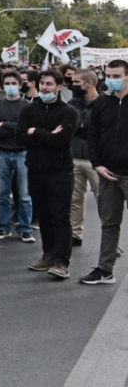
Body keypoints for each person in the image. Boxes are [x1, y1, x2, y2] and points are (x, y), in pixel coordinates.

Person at [17, 70, 78, 280]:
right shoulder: (28, 110)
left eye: (49, 84)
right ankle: (48, 255)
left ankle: (62, 261)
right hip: (35, 170)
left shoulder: (68, 112)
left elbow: (61, 141)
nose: (44, 87)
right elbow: (20, 138)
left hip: (60, 172)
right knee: (44, 214)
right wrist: (47, 134)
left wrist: (36, 132)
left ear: (59, 87)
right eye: (42, 83)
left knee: (60, 216)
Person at [81, 59, 128, 285]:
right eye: (108, 76)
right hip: (107, 172)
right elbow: (93, 137)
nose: (111, 80)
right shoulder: (102, 103)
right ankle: (105, 269)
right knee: (109, 223)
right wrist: (97, 164)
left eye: (117, 76)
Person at [0, 71, 34, 243]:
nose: (11, 86)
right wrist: (16, 129)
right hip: (1, 153)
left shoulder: (28, 106)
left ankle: (25, 228)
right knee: (2, 193)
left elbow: (28, 131)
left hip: (22, 152)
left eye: (14, 83)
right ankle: (3, 227)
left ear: (20, 85)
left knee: (23, 194)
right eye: (7, 83)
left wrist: (5, 124)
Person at [69, 69, 100, 249]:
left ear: (89, 83)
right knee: (74, 199)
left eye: (77, 82)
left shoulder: (104, 103)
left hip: (96, 160)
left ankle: (110, 239)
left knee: (104, 201)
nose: (73, 85)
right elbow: (68, 126)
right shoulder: (72, 103)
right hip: (74, 156)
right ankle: (75, 234)